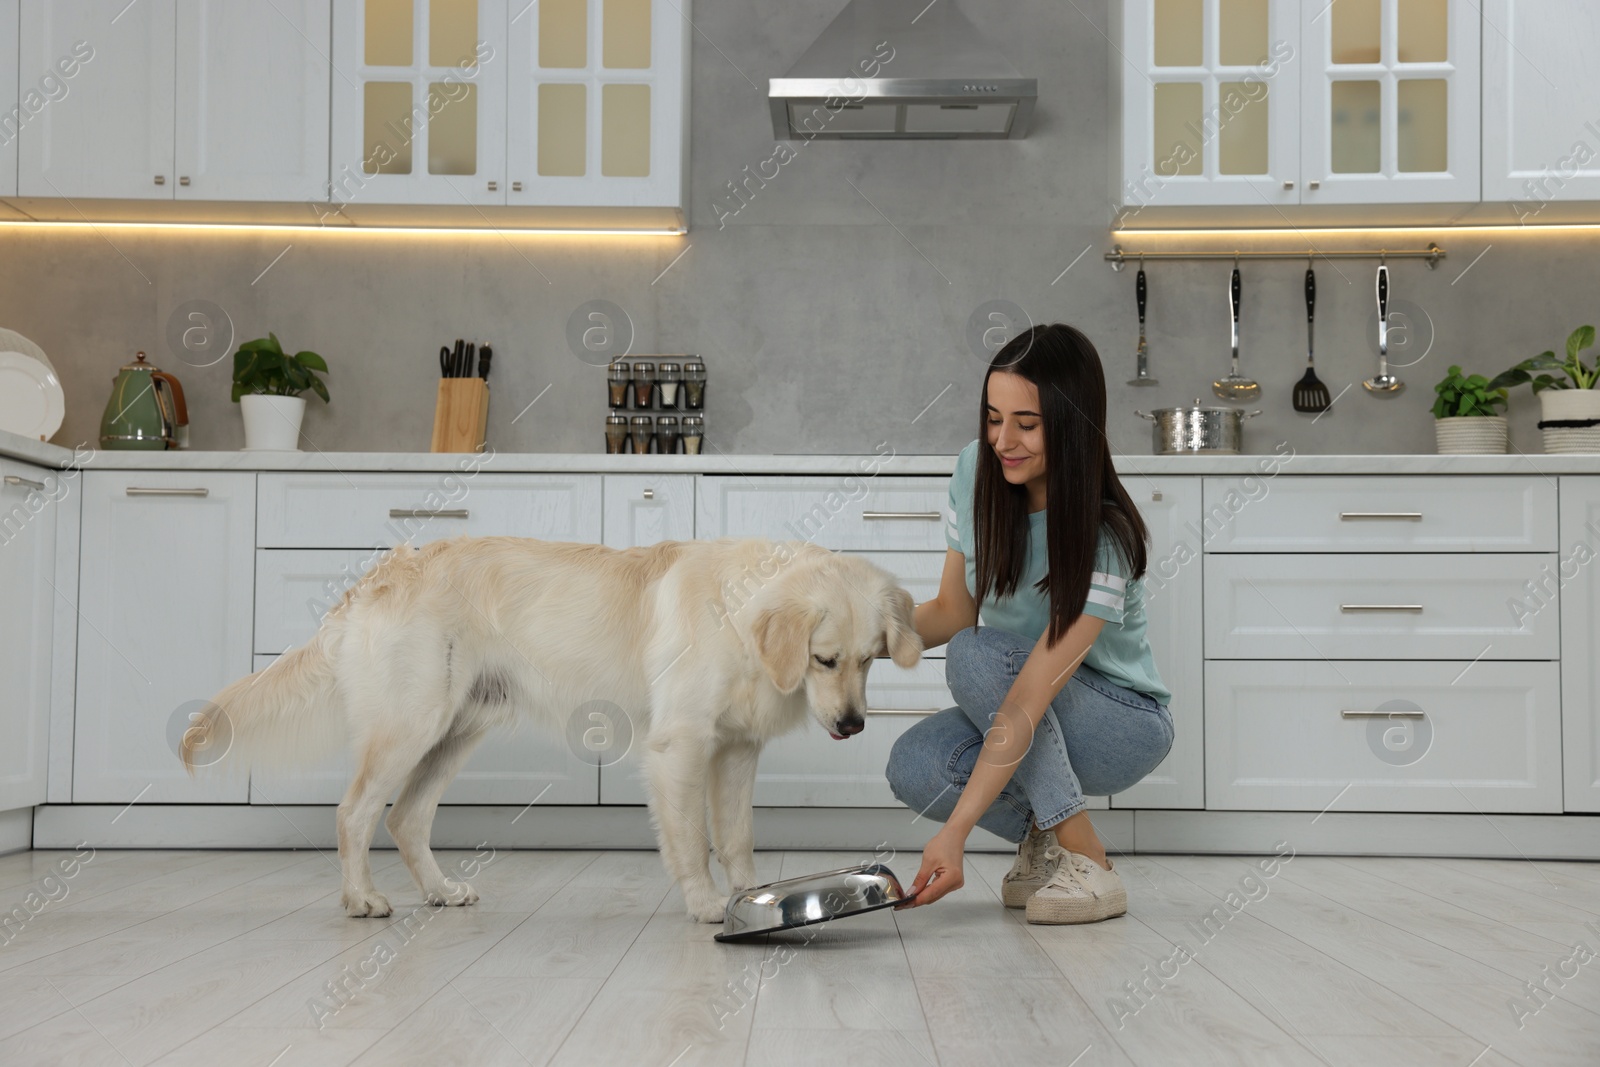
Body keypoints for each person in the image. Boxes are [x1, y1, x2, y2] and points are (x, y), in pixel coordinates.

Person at [885, 322, 1174, 924]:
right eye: (993, 418)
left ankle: (1087, 857)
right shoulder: (976, 470)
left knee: (976, 654)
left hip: (1119, 722)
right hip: (1025, 697)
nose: (1003, 440)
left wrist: (956, 834)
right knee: (917, 764)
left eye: (1028, 424)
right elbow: (951, 612)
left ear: (1070, 424)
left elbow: (1029, 692)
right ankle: (1045, 838)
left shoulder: (1106, 532)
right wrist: (851, 637)